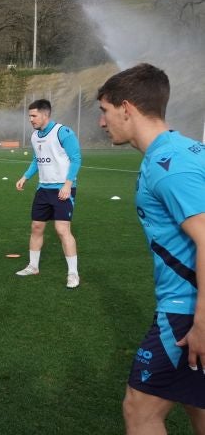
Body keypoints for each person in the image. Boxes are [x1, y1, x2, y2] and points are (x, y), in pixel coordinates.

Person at [96, 63, 205, 433]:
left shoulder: (166, 165)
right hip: (186, 305)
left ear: (126, 108)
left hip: (186, 309)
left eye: (104, 111)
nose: (102, 122)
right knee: (196, 402)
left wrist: (202, 322)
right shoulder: (187, 148)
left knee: (139, 411)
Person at [14, 99, 82, 289]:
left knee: (62, 230)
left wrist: (68, 185)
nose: (31, 120)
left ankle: (73, 273)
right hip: (43, 189)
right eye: (30, 116)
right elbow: (37, 160)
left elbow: (76, 159)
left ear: (45, 115)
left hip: (62, 189)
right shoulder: (35, 136)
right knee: (36, 227)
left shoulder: (63, 132)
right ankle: (33, 266)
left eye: (34, 116)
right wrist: (25, 177)